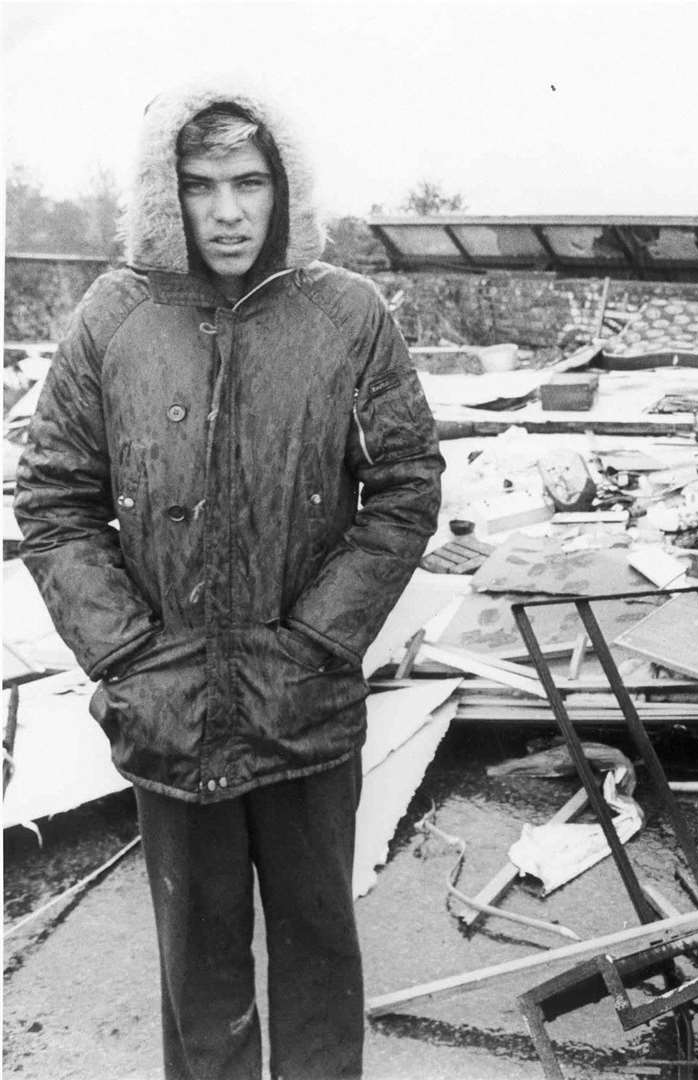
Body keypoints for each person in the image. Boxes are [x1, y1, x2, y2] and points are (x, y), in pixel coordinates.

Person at [14, 83, 444, 1079]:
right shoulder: (114, 316)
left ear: (284, 187)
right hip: (170, 717)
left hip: (305, 709)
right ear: (169, 199)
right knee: (201, 983)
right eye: (202, 185)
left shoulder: (345, 313)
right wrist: (127, 653)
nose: (230, 210)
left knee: (318, 960)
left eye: (250, 181)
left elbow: (406, 485)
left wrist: (317, 641)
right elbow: (53, 499)